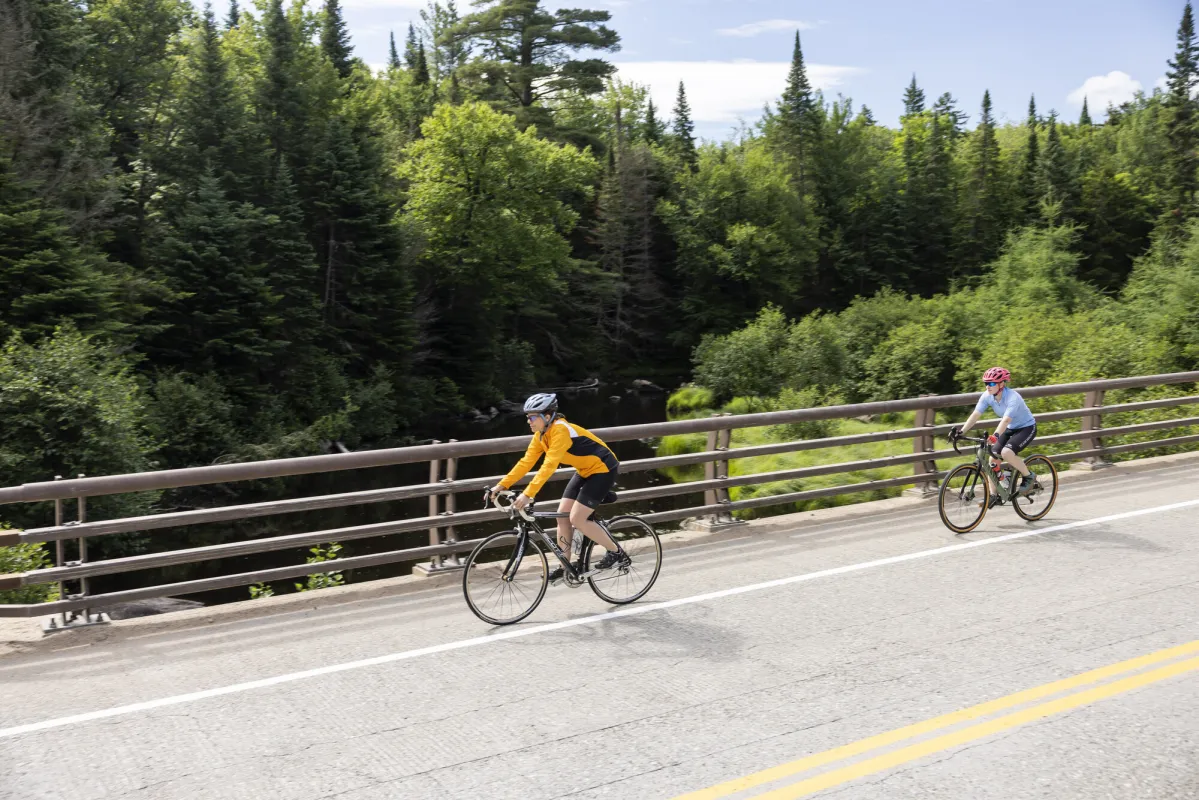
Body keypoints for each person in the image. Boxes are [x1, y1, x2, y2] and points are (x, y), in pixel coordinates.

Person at [489, 393, 629, 582]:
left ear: (547, 417)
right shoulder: (541, 435)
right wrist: (501, 485)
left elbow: (549, 465)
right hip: (585, 470)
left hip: (603, 469)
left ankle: (616, 552)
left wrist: (528, 494)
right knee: (562, 516)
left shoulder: (560, 430)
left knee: (577, 519)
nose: (529, 421)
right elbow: (526, 462)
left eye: (532, 417)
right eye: (527, 417)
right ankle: (567, 568)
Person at [953, 367, 1038, 495]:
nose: (988, 386)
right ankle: (994, 495)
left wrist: (996, 435)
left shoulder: (1013, 397)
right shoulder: (987, 396)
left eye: (992, 383)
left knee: (1007, 453)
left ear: (1001, 384)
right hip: (1010, 428)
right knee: (992, 460)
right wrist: (961, 431)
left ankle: (1029, 476)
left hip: (1026, 427)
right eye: (986, 383)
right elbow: (976, 414)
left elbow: (1006, 420)